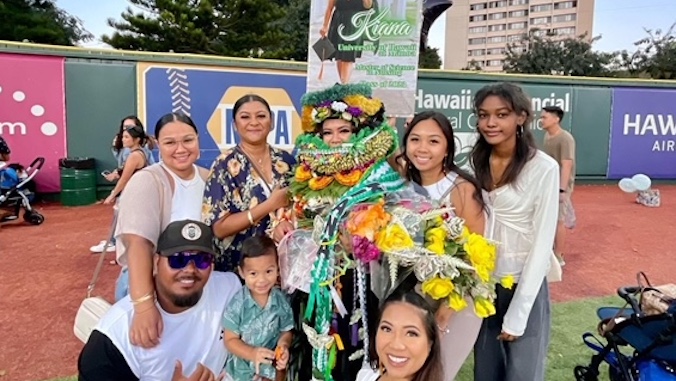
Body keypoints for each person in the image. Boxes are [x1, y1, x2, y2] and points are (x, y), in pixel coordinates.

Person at [470, 83, 561, 381]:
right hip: (483, 284)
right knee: (485, 372)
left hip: (525, 284)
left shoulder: (543, 168)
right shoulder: (476, 162)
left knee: (522, 374)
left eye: (502, 114)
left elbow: (542, 241)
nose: (490, 123)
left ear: (521, 117)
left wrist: (520, 312)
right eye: (483, 115)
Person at [78, 219, 242, 381]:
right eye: (178, 260)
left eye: (202, 260)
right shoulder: (115, 335)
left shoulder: (229, 288)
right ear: (156, 262)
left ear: (212, 266)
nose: (190, 269)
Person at [396, 110, 488, 379]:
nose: (422, 148)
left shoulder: (462, 189)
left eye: (433, 141)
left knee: (437, 374)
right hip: (409, 297)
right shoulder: (401, 186)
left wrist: (448, 309)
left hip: (454, 302)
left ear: (448, 147)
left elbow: (475, 256)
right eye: (415, 139)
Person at [116, 112, 210, 348]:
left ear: (198, 139)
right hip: (149, 285)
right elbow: (138, 244)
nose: (180, 149)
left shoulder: (210, 178)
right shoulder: (147, 181)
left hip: (193, 284)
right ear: (157, 144)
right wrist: (144, 305)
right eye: (170, 142)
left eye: (188, 140)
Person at [202, 94, 295, 273]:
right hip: (241, 271)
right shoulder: (224, 165)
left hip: (282, 268)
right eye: (245, 117)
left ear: (272, 122)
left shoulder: (286, 160)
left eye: (261, 116)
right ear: (235, 125)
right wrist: (270, 205)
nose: (254, 122)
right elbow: (220, 229)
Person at [222, 236, 294, 381]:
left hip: (270, 373)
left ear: (277, 269)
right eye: (253, 274)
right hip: (239, 375)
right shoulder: (238, 304)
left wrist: (283, 345)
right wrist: (252, 353)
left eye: (268, 271)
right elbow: (230, 340)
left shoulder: (280, 301)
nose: (262, 280)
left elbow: (286, 330)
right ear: (242, 272)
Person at [90, 116, 156, 254]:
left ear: (136, 139)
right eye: (123, 136)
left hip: (135, 195)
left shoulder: (134, 156)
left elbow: (124, 179)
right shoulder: (138, 153)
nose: (123, 139)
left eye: (126, 137)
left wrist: (112, 195)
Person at [356, 290, 444, 381]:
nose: (396, 345)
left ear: (430, 343)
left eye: (411, 334)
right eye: (387, 329)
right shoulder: (366, 375)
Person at [541, 105, 576, 267]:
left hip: (560, 185)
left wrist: (562, 190)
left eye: (545, 117)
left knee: (558, 220)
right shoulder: (547, 136)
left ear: (556, 119)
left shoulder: (565, 138)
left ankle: (558, 256)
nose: (542, 120)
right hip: (548, 183)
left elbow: (567, 164)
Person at [320, 0, 375, 84]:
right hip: (338, 22)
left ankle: (344, 84)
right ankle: (344, 84)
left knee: (348, 56)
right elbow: (329, 8)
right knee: (339, 56)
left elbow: (368, 6)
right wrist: (325, 26)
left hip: (355, 24)